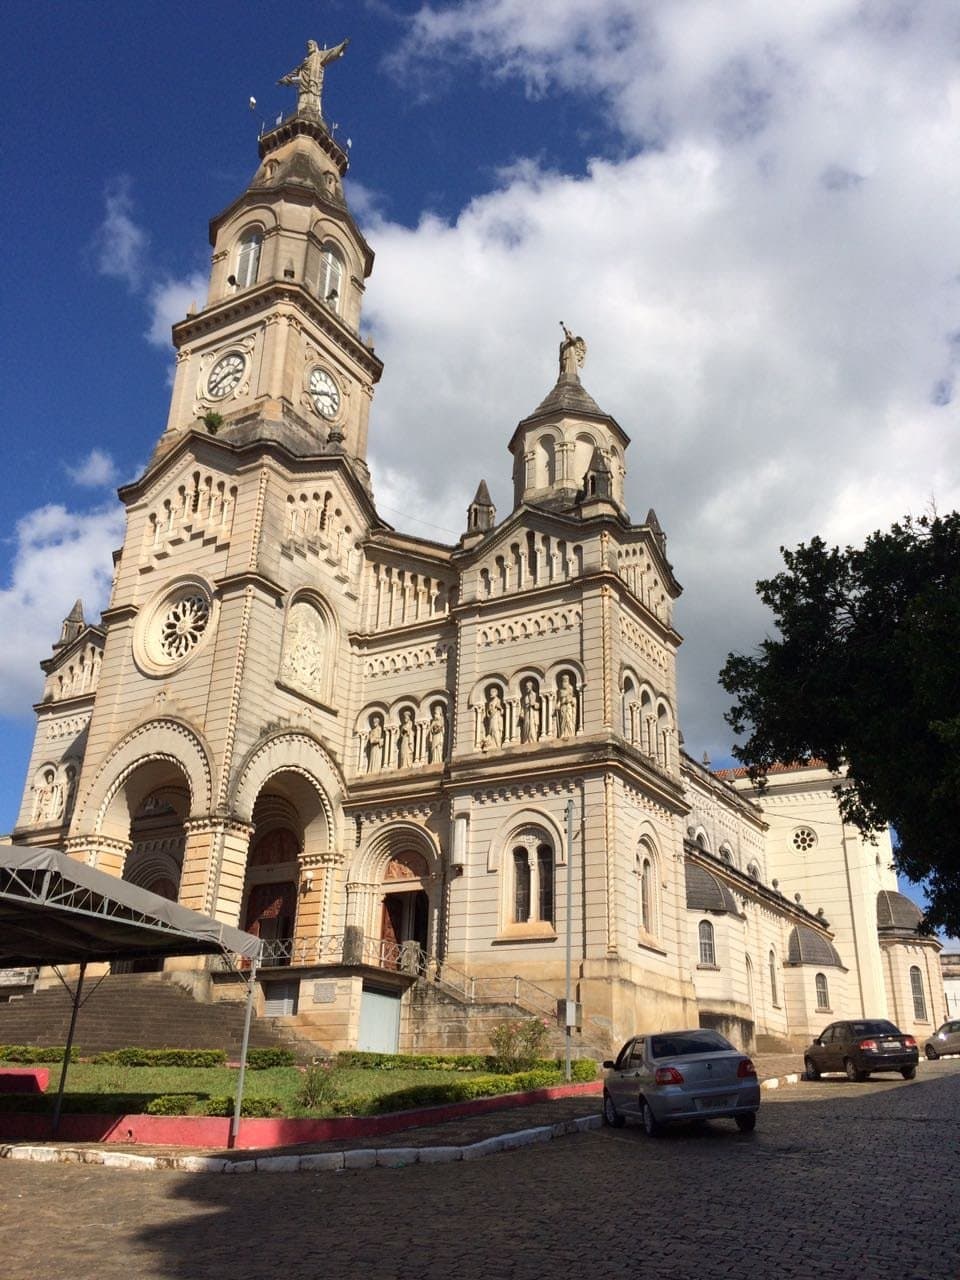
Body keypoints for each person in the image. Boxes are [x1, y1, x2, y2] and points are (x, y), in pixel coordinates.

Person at [278, 38, 349, 122]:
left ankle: (313, 110)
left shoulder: (319, 55)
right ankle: (303, 110)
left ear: (315, 46)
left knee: (313, 95)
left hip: (313, 81)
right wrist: (284, 79)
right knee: (303, 97)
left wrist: (342, 45)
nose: (309, 47)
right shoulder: (305, 61)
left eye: (311, 45)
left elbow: (331, 52)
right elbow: (295, 72)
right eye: (308, 46)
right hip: (304, 83)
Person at [556, 673, 577, 739]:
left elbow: (573, 698)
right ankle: (563, 733)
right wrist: (558, 705)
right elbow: (559, 699)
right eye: (563, 680)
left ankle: (570, 733)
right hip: (563, 707)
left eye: (566, 680)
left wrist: (570, 700)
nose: (564, 682)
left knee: (569, 719)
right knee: (562, 721)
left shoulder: (570, 688)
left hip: (568, 707)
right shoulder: (560, 690)